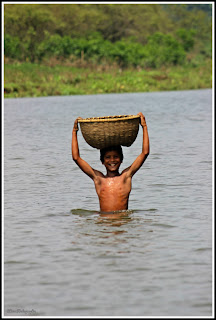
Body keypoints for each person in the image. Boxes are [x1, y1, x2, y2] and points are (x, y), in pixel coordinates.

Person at [72, 112, 150, 213]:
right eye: (108, 157)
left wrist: (144, 126)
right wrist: (74, 131)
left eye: (116, 157)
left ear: (121, 160)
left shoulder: (126, 177)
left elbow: (145, 153)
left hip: (122, 223)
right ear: (102, 161)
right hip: (104, 225)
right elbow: (76, 158)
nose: (112, 160)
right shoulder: (99, 179)